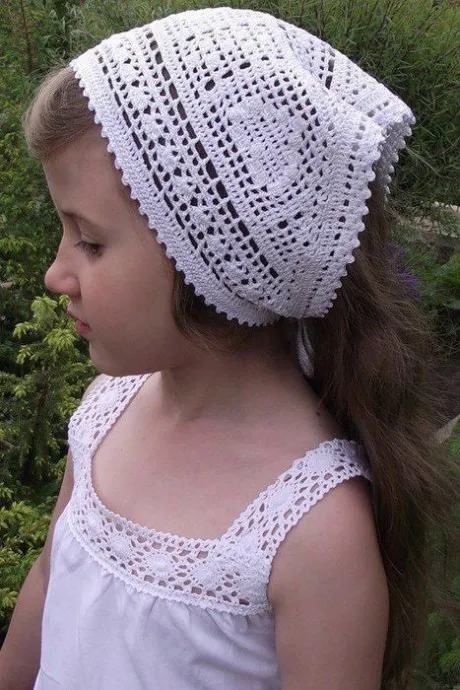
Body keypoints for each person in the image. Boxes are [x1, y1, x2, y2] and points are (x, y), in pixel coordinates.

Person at [0, 6, 451, 689]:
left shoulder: (313, 531)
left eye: (89, 240)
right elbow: (47, 586)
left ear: (212, 259)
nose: (55, 274)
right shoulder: (108, 411)